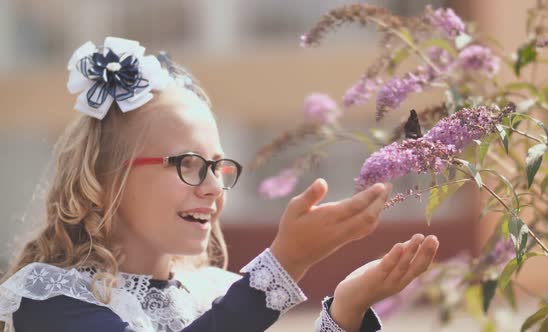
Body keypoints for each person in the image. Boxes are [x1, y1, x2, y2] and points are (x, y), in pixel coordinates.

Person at [0, 37, 439, 332]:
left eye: (218, 167)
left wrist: (347, 309)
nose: (213, 187)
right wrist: (284, 265)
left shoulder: (217, 293)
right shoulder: (48, 299)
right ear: (107, 175)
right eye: (189, 164)